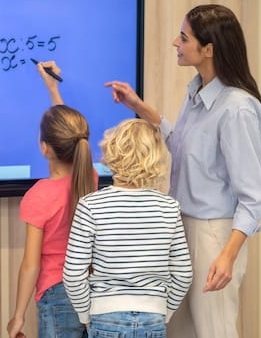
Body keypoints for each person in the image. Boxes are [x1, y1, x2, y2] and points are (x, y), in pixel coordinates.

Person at [104, 4, 261, 338]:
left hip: (215, 236)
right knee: (179, 331)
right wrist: (139, 108)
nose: (174, 43)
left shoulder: (237, 108)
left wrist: (227, 256)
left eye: (183, 37)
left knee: (214, 331)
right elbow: (180, 144)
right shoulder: (195, 91)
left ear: (208, 49)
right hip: (180, 228)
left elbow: (255, 198)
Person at [63, 118, 193, 338]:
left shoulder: (90, 205)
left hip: (105, 316)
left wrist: (86, 314)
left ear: (111, 152)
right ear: (156, 157)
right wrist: (164, 310)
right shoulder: (169, 207)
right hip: (153, 318)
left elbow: (73, 275)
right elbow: (183, 274)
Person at [7, 60, 96, 338]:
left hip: (57, 294)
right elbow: (72, 135)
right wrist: (53, 90)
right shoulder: (89, 177)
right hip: (91, 289)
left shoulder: (39, 196)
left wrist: (18, 316)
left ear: (45, 148)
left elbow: (31, 264)